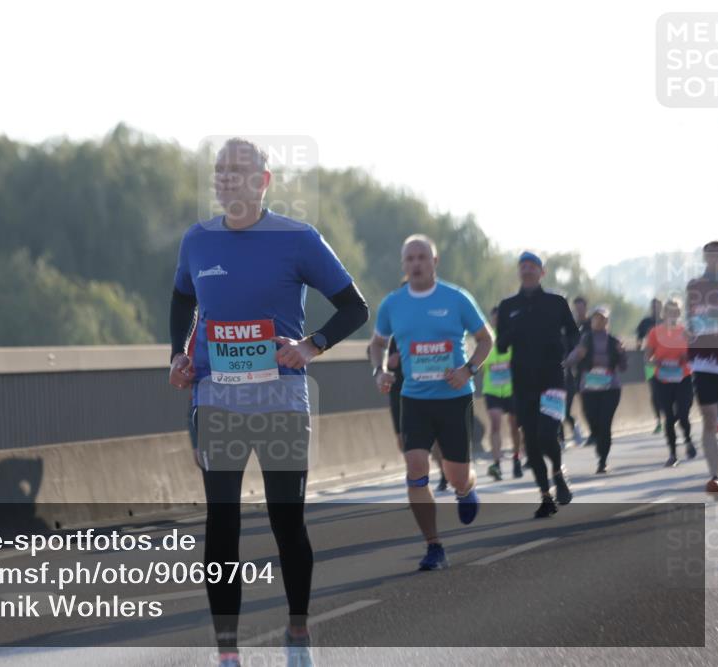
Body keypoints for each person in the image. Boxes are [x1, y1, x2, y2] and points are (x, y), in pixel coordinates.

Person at [169, 138, 368, 667]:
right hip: (217, 398)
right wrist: (177, 355)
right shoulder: (198, 240)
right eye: (219, 170)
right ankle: (227, 652)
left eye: (238, 169)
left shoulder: (297, 239)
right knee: (222, 523)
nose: (226, 177)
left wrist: (311, 346)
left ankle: (298, 629)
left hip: (280, 397)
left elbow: (354, 308)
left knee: (285, 519)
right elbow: (183, 297)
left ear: (264, 180)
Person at [370, 234, 492, 571]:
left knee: (455, 475)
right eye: (409, 259)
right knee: (416, 468)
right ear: (403, 266)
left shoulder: (456, 298)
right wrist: (379, 372)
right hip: (414, 399)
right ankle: (433, 545)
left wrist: (468, 370)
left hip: (454, 398)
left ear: (434, 262)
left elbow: (485, 339)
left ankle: (465, 489)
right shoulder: (392, 304)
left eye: (422, 257)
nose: (416, 264)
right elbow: (377, 344)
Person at [496, 252, 578, 518]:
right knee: (530, 443)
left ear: (542, 272)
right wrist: (512, 331)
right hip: (522, 383)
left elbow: (574, 333)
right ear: (518, 272)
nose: (527, 270)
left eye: (532, 266)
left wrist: (571, 353)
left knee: (546, 434)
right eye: (523, 267)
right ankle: (545, 496)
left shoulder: (556, 302)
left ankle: (558, 471)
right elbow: (501, 344)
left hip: (553, 379)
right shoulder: (508, 306)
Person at [374, 317, 449, 491]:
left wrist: (405, 356)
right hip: (397, 391)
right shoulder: (390, 332)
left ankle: (434, 477)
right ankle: (420, 476)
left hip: (423, 391)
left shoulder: (427, 330)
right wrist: (384, 367)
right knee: (403, 441)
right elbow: (374, 350)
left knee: (432, 438)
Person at [564, 306, 628, 473]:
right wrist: (565, 363)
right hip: (589, 387)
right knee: (593, 421)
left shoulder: (614, 341)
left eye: (602, 319)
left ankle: (602, 460)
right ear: (591, 321)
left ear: (607, 321)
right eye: (596, 318)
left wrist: (622, 353)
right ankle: (597, 439)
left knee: (605, 424)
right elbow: (576, 354)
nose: (599, 321)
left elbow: (623, 367)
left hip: (610, 388)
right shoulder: (586, 339)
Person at [685, 240, 718, 494]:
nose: (714, 260)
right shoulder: (695, 286)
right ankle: (715, 476)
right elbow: (692, 318)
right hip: (704, 361)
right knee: (710, 420)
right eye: (709, 257)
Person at [646, 298, 696, 466]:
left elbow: (696, 355)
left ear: (680, 314)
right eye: (669, 311)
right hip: (663, 379)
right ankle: (673, 454)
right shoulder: (655, 332)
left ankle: (688, 440)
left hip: (683, 378)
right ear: (664, 313)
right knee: (668, 417)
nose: (673, 315)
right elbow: (648, 356)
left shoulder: (686, 332)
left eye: (676, 312)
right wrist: (656, 361)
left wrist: (686, 357)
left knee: (683, 414)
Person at [483, 306, 523, 480]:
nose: (497, 321)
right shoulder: (486, 341)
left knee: (515, 426)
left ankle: (516, 459)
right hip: (492, 389)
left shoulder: (515, 339)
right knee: (495, 424)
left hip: (512, 389)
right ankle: (497, 464)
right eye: (495, 319)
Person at [563, 295, 589, 446]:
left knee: (565, 410)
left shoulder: (573, 328)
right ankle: (559, 439)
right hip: (554, 375)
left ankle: (576, 427)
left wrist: (569, 362)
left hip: (572, 374)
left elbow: (578, 350)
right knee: (556, 411)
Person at [636, 298, 664, 434]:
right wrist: (639, 348)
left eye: (657, 306)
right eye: (653, 306)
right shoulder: (645, 322)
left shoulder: (667, 322)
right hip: (651, 362)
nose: (655, 309)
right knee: (654, 391)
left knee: (670, 389)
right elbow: (639, 339)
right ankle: (658, 420)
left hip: (666, 362)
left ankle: (670, 415)